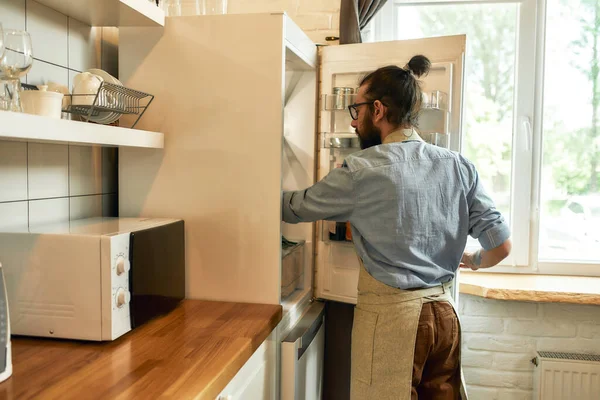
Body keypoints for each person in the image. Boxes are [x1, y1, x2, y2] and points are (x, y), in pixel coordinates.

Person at [281, 55, 511, 400]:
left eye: (355, 111)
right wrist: (473, 260)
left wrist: (253, 188)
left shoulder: (362, 170)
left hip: (394, 323)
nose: (354, 123)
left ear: (377, 110)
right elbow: (501, 248)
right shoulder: (459, 165)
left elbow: (296, 208)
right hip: (446, 316)